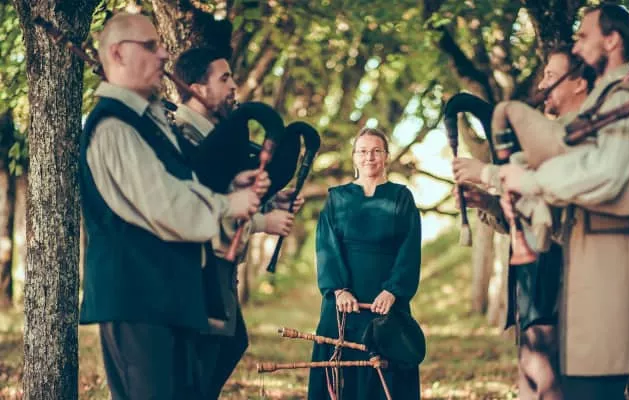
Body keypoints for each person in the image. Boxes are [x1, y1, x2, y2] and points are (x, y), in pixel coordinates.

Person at [78, 13, 264, 398]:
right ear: (117, 53)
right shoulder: (113, 127)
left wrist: (232, 189)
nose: (163, 54)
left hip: (168, 300)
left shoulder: (149, 123)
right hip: (138, 301)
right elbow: (168, 205)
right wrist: (229, 204)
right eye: (150, 46)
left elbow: (182, 186)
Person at [495, 3, 629, 399]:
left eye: (584, 36)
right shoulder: (603, 104)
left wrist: (532, 181)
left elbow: (606, 175)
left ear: (612, 40)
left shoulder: (623, 100)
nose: (576, 46)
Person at [452, 46, 595, 400]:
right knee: (537, 388)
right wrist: (488, 202)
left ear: (579, 83)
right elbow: (533, 210)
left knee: (555, 389)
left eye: (551, 76)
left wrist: (486, 173)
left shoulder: (586, 134)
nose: (542, 84)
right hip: (535, 291)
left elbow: (562, 205)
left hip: (567, 288)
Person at [172, 46, 305, 398]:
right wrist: (263, 222)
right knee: (199, 367)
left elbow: (228, 189)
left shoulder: (215, 135)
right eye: (224, 78)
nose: (234, 86)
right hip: (194, 274)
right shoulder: (181, 135)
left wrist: (272, 200)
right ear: (197, 88)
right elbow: (195, 206)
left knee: (228, 346)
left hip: (216, 272)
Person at [307, 127, 422, 399]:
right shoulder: (337, 198)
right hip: (343, 306)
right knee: (339, 376)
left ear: (386, 156)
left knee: (387, 377)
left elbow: (409, 249)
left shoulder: (401, 197)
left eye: (376, 151)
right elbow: (326, 246)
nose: (369, 157)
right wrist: (339, 290)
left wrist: (392, 290)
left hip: (387, 304)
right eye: (362, 151)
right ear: (354, 157)